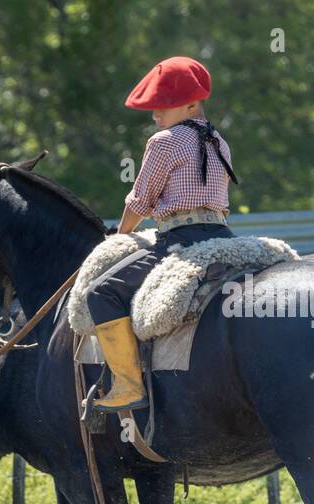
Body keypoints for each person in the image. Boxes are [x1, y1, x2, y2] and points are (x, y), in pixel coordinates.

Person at [87, 55, 240, 412]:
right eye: (153, 108)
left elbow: (141, 200)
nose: (155, 115)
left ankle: (128, 385)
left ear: (191, 104)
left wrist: (120, 236)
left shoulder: (164, 142)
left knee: (102, 292)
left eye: (163, 106)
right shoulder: (218, 140)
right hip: (223, 234)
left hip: (182, 240)